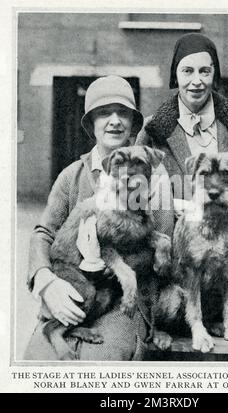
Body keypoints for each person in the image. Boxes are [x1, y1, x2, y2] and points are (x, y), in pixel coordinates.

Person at [24, 75, 174, 361]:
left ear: (133, 123)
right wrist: (45, 280)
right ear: (91, 124)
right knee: (38, 361)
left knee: (102, 360)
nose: (115, 121)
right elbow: (44, 232)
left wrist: (113, 264)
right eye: (104, 113)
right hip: (72, 288)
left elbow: (162, 250)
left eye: (124, 114)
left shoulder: (155, 178)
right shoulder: (72, 175)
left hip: (124, 301)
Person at [136, 33, 228, 335]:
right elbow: (135, 194)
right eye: (187, 71)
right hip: (172, 274)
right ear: (176, 75)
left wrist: (227, 216)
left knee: (223, 365)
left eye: (205, 71)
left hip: (227, 268)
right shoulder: (153, 131)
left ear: (215, 75)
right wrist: (173, 212)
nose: (196, 81)